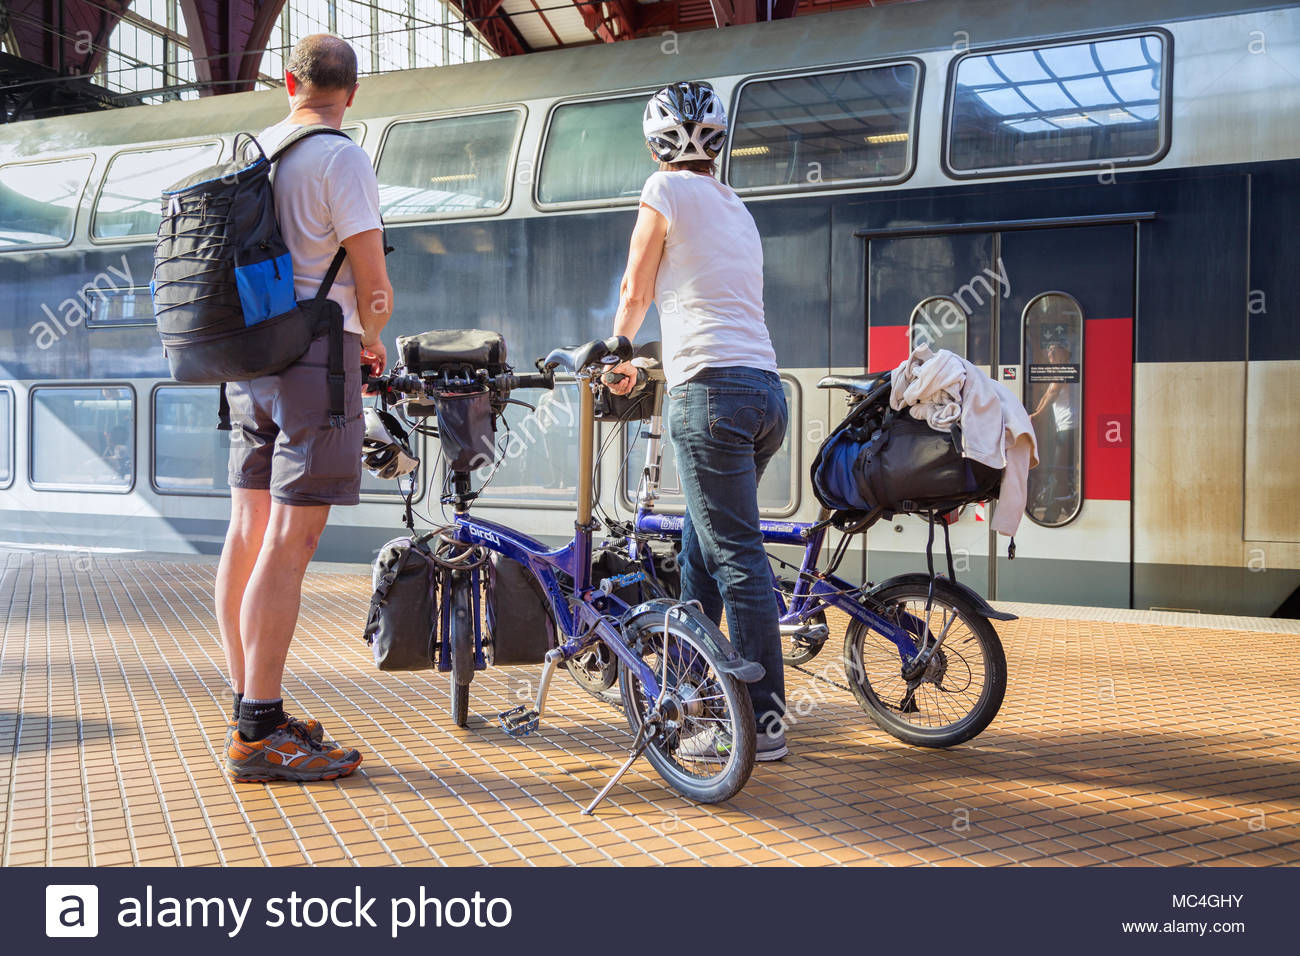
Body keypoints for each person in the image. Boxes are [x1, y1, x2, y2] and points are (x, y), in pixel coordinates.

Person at [216, 34, 394, 783]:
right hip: (316, 359)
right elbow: (373, 283)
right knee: (292, 539)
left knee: (248, 530)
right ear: (351, 93)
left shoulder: (255, 150)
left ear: (289, 83)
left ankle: (248, 703)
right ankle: (259, 730)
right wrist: (374, 338)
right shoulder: (340, 158)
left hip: (247, 360)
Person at [606, 82, 789, 761]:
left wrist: (617, 354)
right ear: (716, 143)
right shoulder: (736, 205)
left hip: (709, 396)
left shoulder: (664, 190)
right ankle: (691, 699)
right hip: (765, 395)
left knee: (736, 558)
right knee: (700, 554)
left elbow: (637, 285)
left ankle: (763, 723)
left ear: (655, 146)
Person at [1028, 340, 1078, 522]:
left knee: (1059, 469)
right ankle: (1064, 505)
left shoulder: (1064, 371)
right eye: (1049, 350)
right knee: (1060, 470)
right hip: (1063, 426)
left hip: (1069, 426)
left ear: (1064, 354)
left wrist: (1037, 416)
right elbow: (1046, 395)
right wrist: (1035, 415)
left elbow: (1052, 395)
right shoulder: (1059, 371)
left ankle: (1058, 509)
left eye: (1054, 350)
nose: (1050, 353)